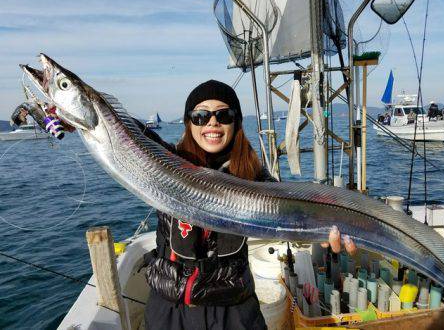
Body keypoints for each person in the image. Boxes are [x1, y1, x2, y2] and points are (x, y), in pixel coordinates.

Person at [139, 80, 355, 330]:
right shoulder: (166, 164)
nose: (212, 122)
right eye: (200, 116)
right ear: (189, 123)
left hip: (235, 312)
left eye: (223, 115)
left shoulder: (255, 178)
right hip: (169, 312)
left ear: (237, 122)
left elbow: (293, 208)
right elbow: (128, 134)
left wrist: (327, 227)